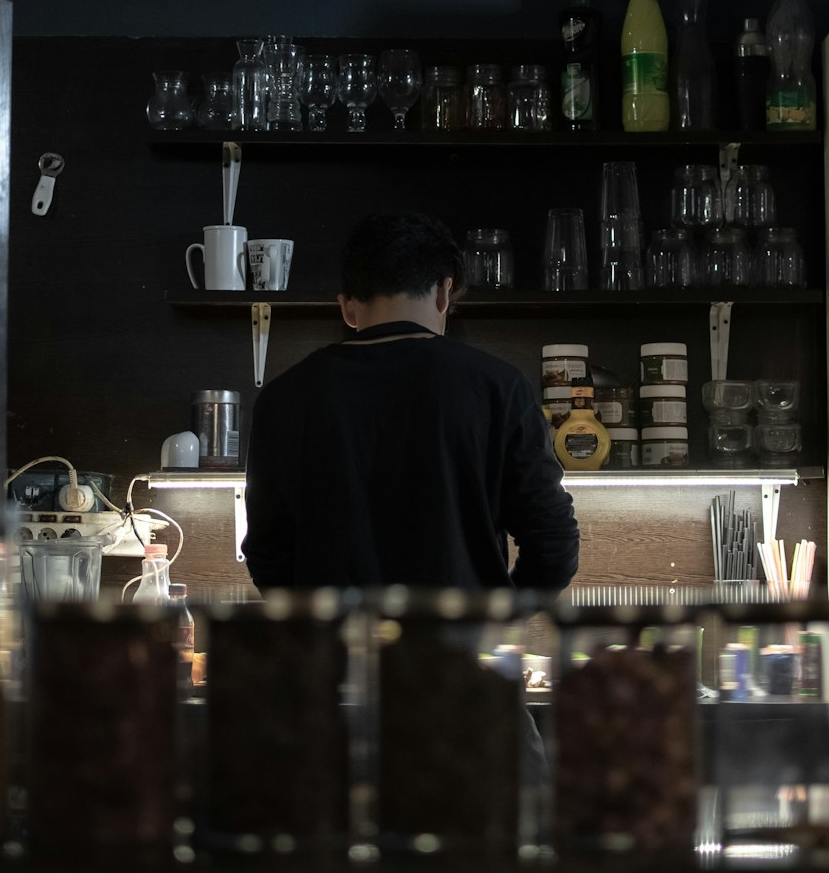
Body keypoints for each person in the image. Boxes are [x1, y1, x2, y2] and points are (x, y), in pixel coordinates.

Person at [241, 211, 579, 592]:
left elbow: (267, 554)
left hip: (334, 647)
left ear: (348, 306)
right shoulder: (499, 387)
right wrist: (499, 617)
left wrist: (314, 629)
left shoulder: (284, 396)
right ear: (443, 292)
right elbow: (552, 543)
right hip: (458, 646)